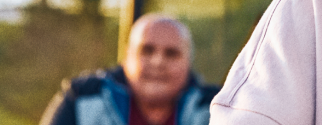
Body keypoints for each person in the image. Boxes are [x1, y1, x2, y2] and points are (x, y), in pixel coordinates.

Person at [42, 14, 220, 125]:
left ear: (188, 62)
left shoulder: (218, 108)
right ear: (127, 56)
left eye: (171, 53)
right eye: (147, 50)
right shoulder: (80, 98)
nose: (158, 62)